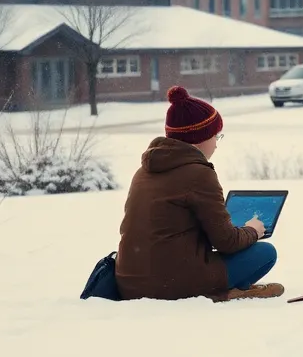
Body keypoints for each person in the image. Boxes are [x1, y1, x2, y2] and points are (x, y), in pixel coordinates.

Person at [115, 85, 284, 302]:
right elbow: (227, 242)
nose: (216, 144)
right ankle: (225, 292)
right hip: (169, 285)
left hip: (129, 282)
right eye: (216, 136)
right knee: (265, 253)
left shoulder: (144, 171)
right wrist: (252, 230)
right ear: (199, 138)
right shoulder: (199, 174)